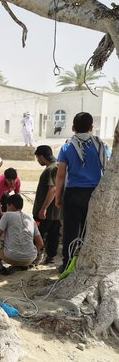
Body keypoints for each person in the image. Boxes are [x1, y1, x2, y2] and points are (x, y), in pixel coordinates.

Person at [55, 112, 108, 272]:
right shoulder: (101, 145)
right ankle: (86, 265)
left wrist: (58, 196)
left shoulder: (67, 147)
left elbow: (61, 175)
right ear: (92, 127)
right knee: (89, 231)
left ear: (72, 128)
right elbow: (108, 167)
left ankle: (67, 265)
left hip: (73, 194)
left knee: (70, 231)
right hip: (94, 194)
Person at [0, 194, 44, 275]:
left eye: (7, 206)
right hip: (29, 259)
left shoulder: (7, 215)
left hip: (12, 258)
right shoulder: (30, 219)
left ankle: (0, 268)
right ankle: (25, 264)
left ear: (10, 205)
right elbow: (41, 244)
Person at [32, 145, 61, 266]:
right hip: (56, 211)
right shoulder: (59, 167)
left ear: (42, 156)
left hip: (46, 212)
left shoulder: (51, 169)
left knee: (39, 234)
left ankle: (36, 257)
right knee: (53, 234)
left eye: (38, 158)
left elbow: (53, 189)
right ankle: (50, 257)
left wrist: (43, 208)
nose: (38, 160)